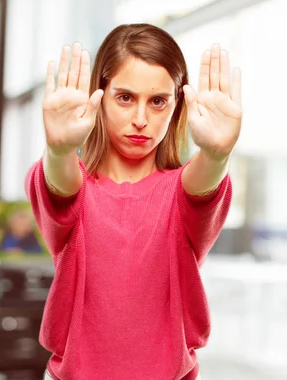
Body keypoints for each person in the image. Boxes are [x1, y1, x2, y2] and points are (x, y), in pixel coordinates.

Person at [26, 23, 242, 380]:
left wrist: (218, 155)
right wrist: (58, 149)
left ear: (177, 106)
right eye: (125, 97)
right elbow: (62, 185)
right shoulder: (76, 187)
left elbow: (202, 183)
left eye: (158, 101)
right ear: (101, 95)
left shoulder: (179, 193)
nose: (141, 120)